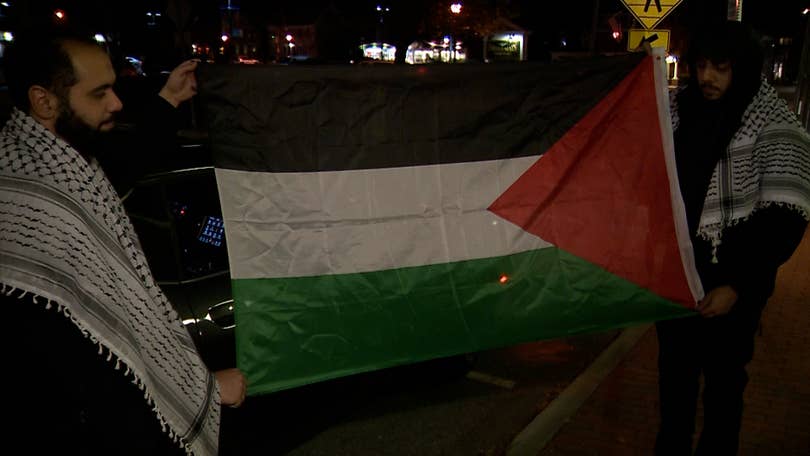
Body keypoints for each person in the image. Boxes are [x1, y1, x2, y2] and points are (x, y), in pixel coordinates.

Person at [0, 29, 245, 455]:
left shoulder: (60, 165)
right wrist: (201, 388)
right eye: (100, 93)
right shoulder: (37, 209)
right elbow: (88, 369)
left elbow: (125, 159)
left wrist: (168, 99)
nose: (116, 103)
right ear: (44, 100)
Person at [655, 21, 810, 455]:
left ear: (741, 69)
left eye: (720, 68)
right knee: (674, 389)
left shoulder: (777, 127)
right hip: (678, 281)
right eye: (701, 65)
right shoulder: (675, 111)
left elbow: (784, 222)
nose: (707, 77)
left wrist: (737, 286)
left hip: (732, 292)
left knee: (724, 393)